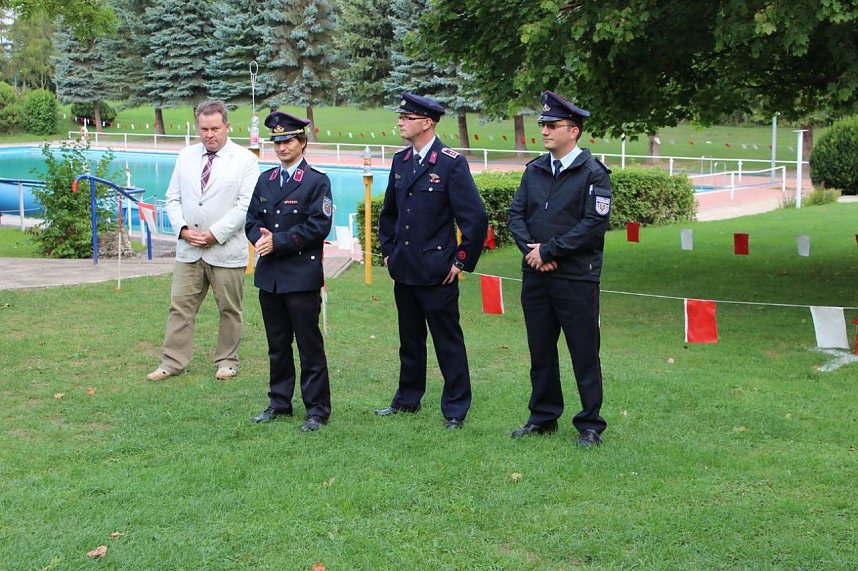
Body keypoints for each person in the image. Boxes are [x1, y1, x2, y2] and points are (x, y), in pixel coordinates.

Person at [375, 92, 488, 429]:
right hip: (405, 268)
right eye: (401, 117)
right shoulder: (401, 160)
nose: (400, 122)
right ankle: (407, 399)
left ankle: (455, 409)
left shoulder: (451, 163)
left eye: (407, 118)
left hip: (437, 271)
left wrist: (461, 261)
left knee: (447, 341)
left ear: (426, 123)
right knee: (410, 340)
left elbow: (475, 218)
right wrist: (388, 250)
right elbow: (390, 212)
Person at [507, 90, 612, 447]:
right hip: (536, 276)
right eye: (543, 125)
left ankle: (590, 424)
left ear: (574, 131)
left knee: (584, 351)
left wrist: (549, 250)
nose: (545, 131)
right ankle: (543, 417)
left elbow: (592, 226)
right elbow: (516, 215)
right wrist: (532, 252)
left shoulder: (594, 174)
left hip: (575, 277)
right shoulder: (534, 169)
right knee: (541, 351)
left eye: (553, 125)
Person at [147, 100, 258, 382]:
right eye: (204, 128)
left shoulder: (246, 160)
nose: (209, 134)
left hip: (225, 250)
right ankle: (172, 362)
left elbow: (246, 207)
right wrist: (183, 230)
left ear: (227, 127)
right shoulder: (185, 156)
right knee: (180, 307)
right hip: (189, 250)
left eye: (215, 128)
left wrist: (215, 234)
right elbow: (173, 198)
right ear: (198, 127)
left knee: (229, 309)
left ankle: (227, 361)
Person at [245, 111, 333, 432]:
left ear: (302, 142)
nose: (281, 147)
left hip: (300, 277)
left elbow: (317, 226)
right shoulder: (265, 180)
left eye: (288, 140)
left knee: (309, 345)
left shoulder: (315, 181)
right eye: (277, 141)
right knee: (277, 344)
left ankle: (317, 409)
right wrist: (259, 238)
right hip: (271, 277)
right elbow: (252, 220)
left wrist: (277, 241)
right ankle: (280, 402)